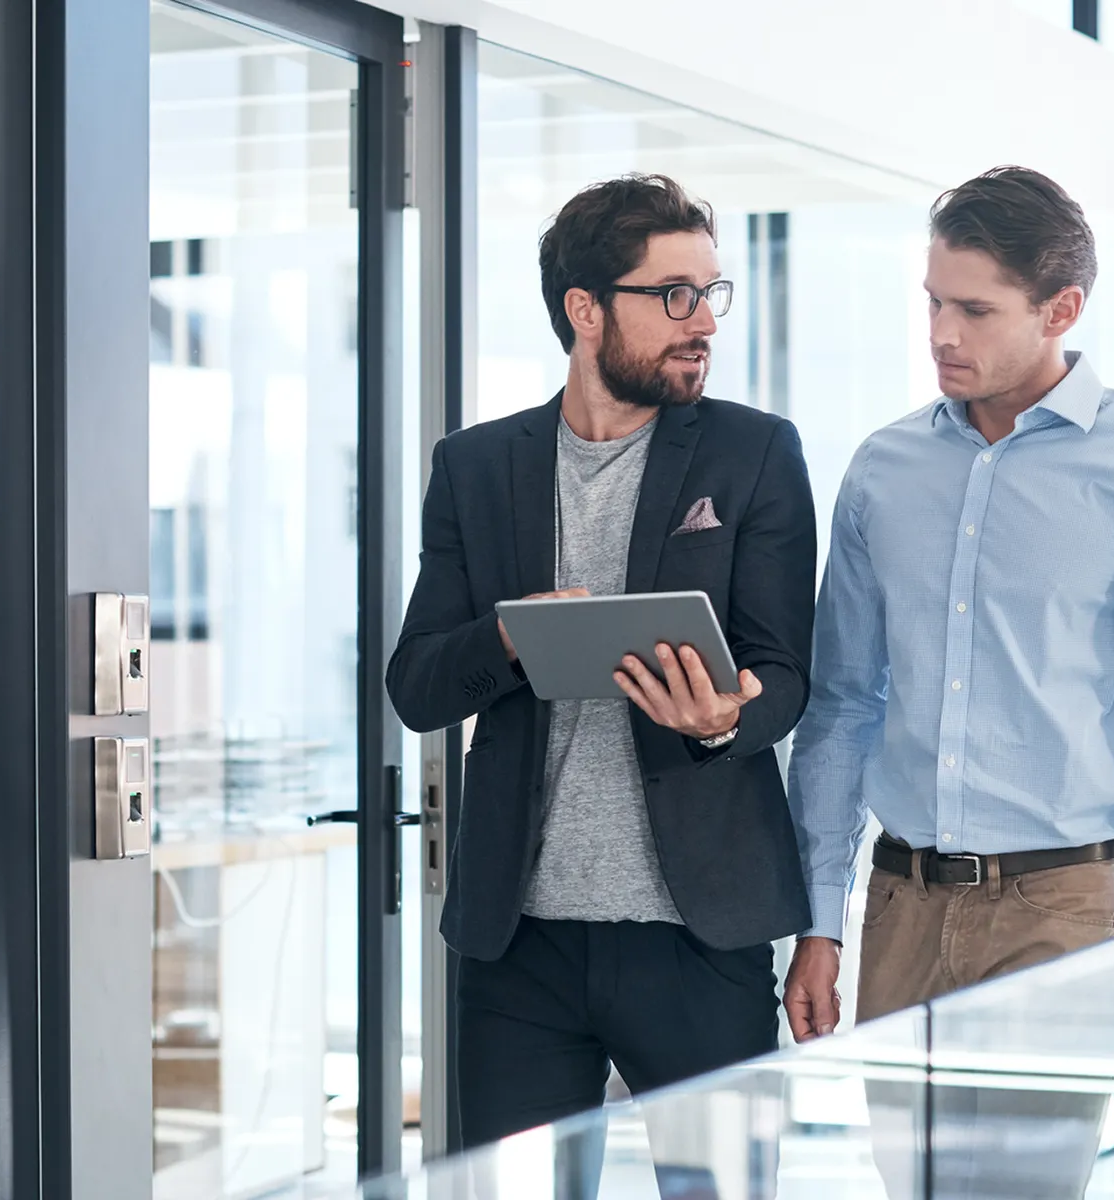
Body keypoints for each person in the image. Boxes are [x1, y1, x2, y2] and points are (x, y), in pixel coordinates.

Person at [783, 167, 1114, 1196]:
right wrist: (817, 921)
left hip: (1059, 911)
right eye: (930, 302)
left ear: (1062, 310)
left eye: (973, 310)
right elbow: (838, 709)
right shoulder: (882, 470)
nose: (941, 334)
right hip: (900, 906)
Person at [386, 173, 818, 1154]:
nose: (700, 320)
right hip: (517, 944)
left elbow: (786, 670)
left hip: (698, 935)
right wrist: (506, 637)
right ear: (585, 309)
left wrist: (726, 718)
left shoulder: (755, 454)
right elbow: (415, 685)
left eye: (711, 293)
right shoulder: (475, 466)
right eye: (672, 295)